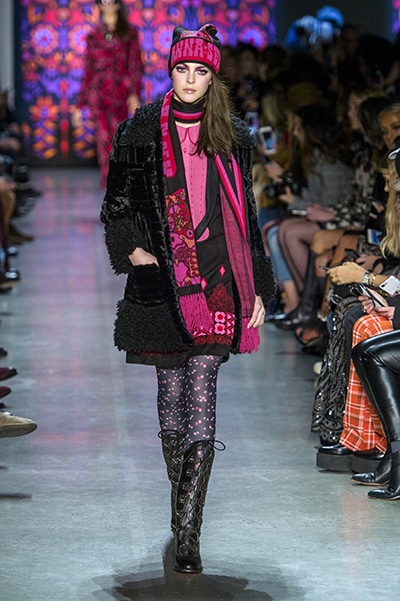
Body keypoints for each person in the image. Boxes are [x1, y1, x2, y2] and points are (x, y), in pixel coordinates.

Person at [100, 24, 276, 574]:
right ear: (171, 71)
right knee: (171, 394)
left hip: (220, 276)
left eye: (201, 71)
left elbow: (247, 216)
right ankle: (182, 506)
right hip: (162, 279)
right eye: (183, 69)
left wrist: (259, 284)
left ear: (213, 76)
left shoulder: (233, 134)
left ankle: (188, 531)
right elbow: (116, 204)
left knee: (201, 391)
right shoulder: (138, 132)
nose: (191, 79)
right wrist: (132, 250)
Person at [72, 0, 143, 187]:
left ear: (118, 4)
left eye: (112, 1)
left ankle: (119, 181)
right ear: (99, 5)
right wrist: (79, 105)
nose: (108, 4)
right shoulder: (93, 35)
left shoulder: (130, 33)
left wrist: (134, 94)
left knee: (119, 137)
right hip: (98, 94)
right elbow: (88, 70)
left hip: (120, 94)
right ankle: (109, 184)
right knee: (103, 139)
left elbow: (135, 65)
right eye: (104, 1)